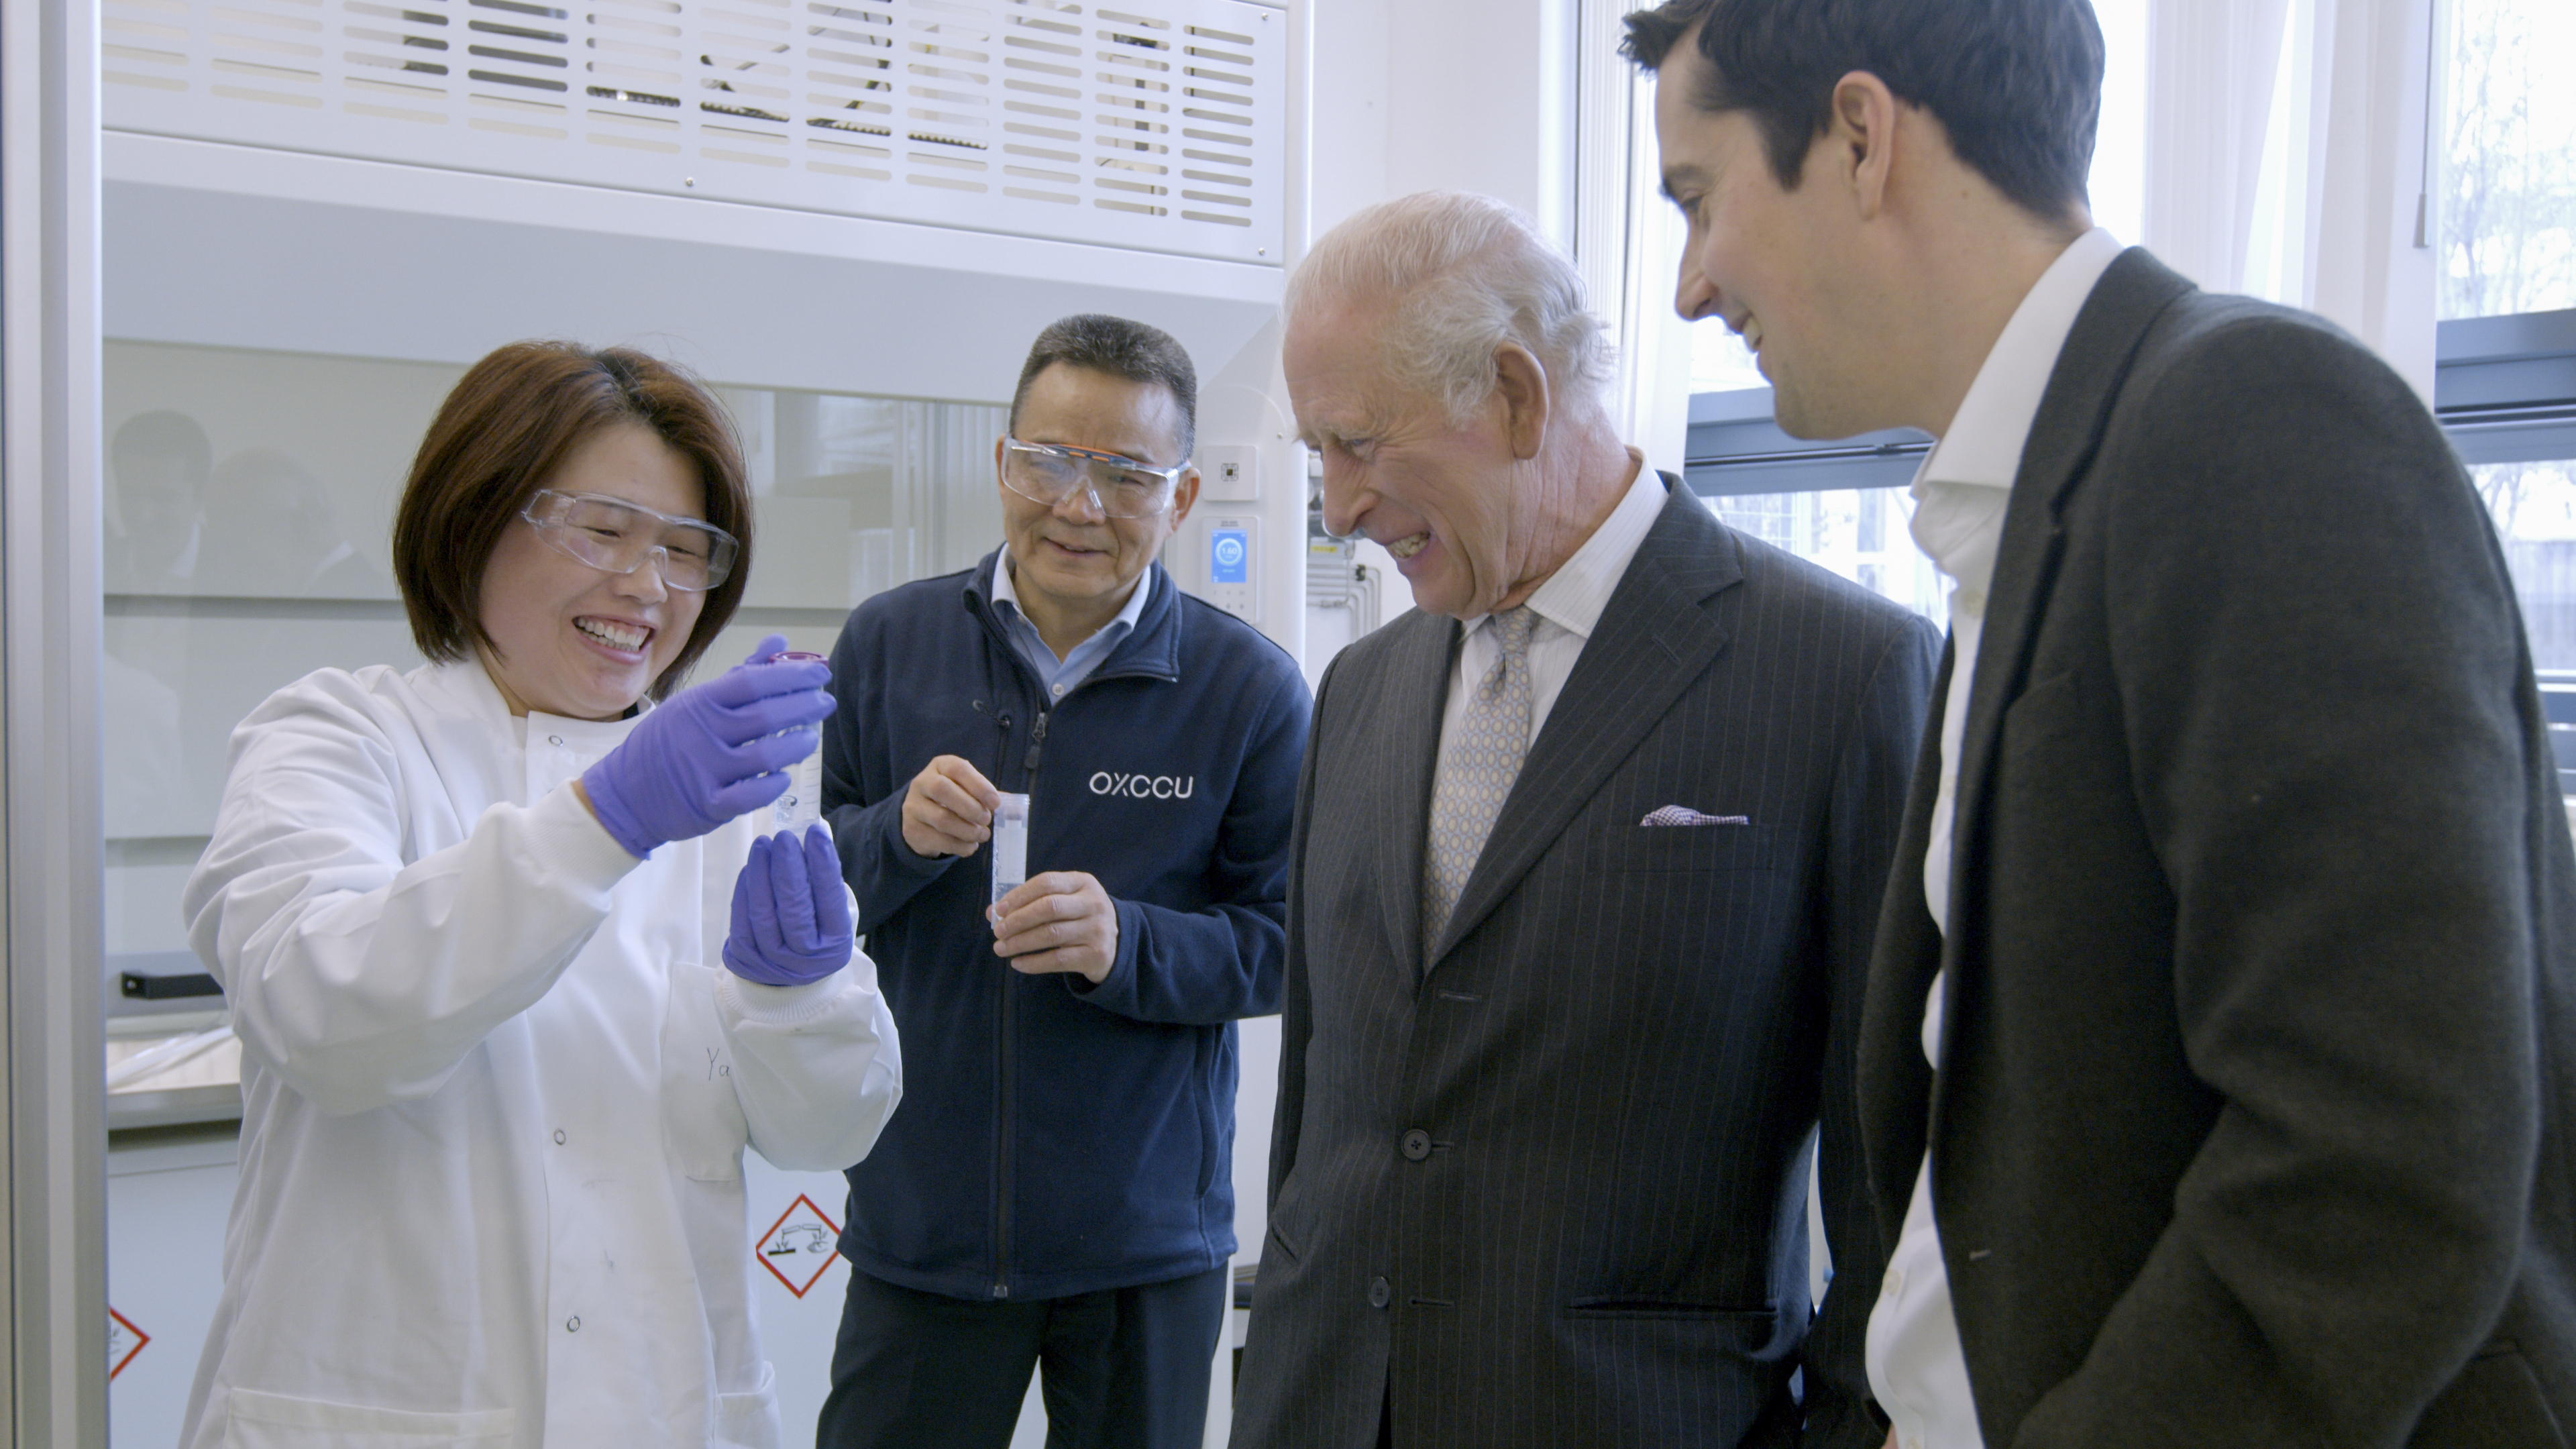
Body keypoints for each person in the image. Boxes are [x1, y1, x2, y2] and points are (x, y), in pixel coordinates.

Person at [1624, 1, 2576, 1445]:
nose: (1691, 289)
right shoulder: (2028, 503)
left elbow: (2380, 1176)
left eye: (1699, 202)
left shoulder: (2253, 420)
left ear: (1863, 138)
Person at [1230, 191, 1940, 1449]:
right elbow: (1321, 1104)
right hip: (1321, 1405)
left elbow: (1894, 1152)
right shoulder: (1359, 689)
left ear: (1515, 395)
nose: (1336, 507)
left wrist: (1854, 1425)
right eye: (1315, 455)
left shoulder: (1842, 674)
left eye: (1356, 444)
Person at [178, 341, 902, 1449]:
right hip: (379, 1407)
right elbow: (320, 1017)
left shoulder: (733, 800)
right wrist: (604, 820)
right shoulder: (339, 738)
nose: (646, 586)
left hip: (661, 1404)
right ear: (472, 518)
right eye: (604, 531)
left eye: (683, 549)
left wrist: (799, 1003)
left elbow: (829, 1129)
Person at [814, 314, 1311, 1449]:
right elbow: (812, 898)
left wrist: (1125, 944)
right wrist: (895, 835)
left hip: (1144, 1247)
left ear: (1180, 499)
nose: (1079, 505)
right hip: (924, 1222)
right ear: (1003, 465)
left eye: (1128, 475)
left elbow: (1288, 941)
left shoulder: (1249, 690)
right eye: (1050, 461)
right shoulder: (889, 645)